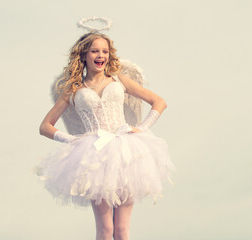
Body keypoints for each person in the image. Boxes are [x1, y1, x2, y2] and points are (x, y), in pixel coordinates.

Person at [36, 31, 173, 240]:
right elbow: (45, 126)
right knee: (105, 229)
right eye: (94, 51)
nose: (100, 55)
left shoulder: (119, 80)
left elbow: (159, 102)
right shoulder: (74, 89)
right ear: (84, 55)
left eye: (105, 51)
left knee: (121, 229)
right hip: (94, 157)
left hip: (126, 152)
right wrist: (73, 140)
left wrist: (142, 128)